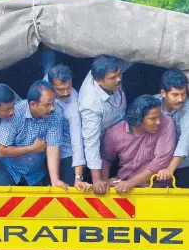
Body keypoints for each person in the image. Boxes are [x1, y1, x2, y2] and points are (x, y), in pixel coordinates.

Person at [0, 80, 68, 189]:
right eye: (47, 105)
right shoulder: (14, 113)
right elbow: (1, 151)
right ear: (33, 105)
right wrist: (32, 148)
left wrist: (55, 180)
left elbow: (53, 146)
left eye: (53, 103)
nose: (52, 108)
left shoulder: (56, 113)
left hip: (35, 174)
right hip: (7, 169)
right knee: (0, 204)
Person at [101, 95, 176, 194]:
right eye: (153, 119)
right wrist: (105, 180)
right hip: (122, 187)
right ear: (139, 118)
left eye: (159, 116)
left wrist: (130, 183)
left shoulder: (166, 123)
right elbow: (105, 158)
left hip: (157, 190)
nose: (158, 122)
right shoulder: (115, 132)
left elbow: (160, 162)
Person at [78, 55, 127, 194]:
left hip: (117, 132)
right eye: (113, 78)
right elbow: (91, 142)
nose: (118, 80)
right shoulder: (90, 103)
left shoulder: (106, 72)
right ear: (99, 81)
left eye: (119, 75)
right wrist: (97, 179)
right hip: (100, 143)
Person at [47, 64, 90, 191]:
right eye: (60, 89)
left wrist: (78, 177)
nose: (66, 93)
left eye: (69, 88)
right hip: (41, 149)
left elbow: (77, 141)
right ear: (50, 85)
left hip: (67, 154)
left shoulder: (73, 105)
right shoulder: (42, 88)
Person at [154, 69, 189, 187]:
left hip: (183, 165)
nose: (181, 99)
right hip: (154, 165)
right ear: (163, 93)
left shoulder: (187, 107)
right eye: (175, 94)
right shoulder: (152, 103)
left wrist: (170, 169)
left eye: (184, 93)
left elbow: (185, 140)